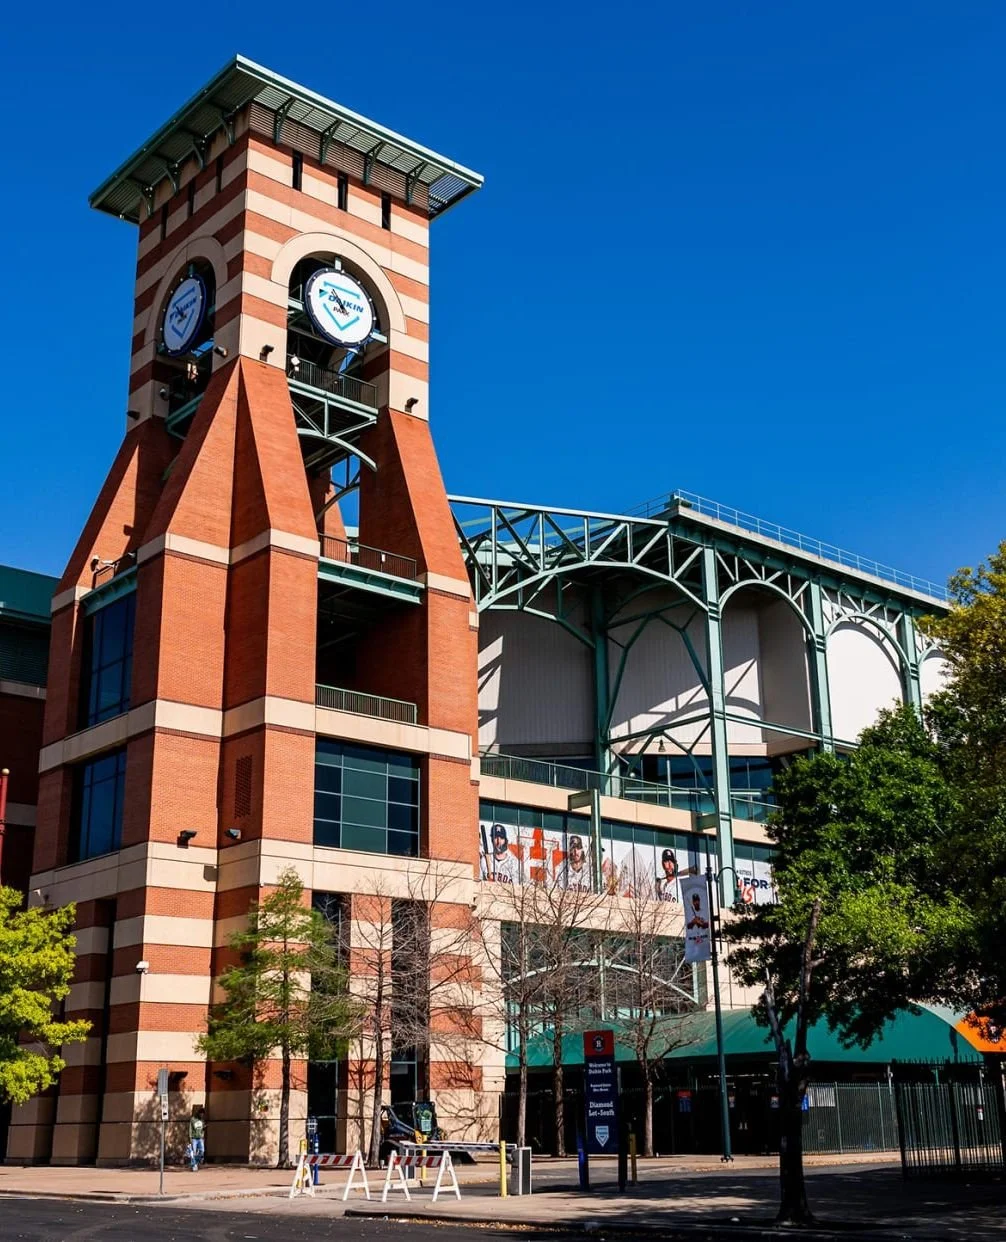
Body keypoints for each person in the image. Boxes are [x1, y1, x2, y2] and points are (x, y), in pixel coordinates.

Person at [188, 1106, 205, 1172]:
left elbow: (202, 1128)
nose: (202, 1115)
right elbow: (190, 1129)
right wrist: (190, 1137)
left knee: (202, 1151)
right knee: (194, 1152)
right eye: (201, 1114)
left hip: (200, 1138)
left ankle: (195, 1163)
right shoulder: (193, 1119)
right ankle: (194, 1166)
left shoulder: (202, 1120)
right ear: (199, 1113)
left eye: (203, 1114)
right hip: (194, 1138)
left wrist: (203, 1132)